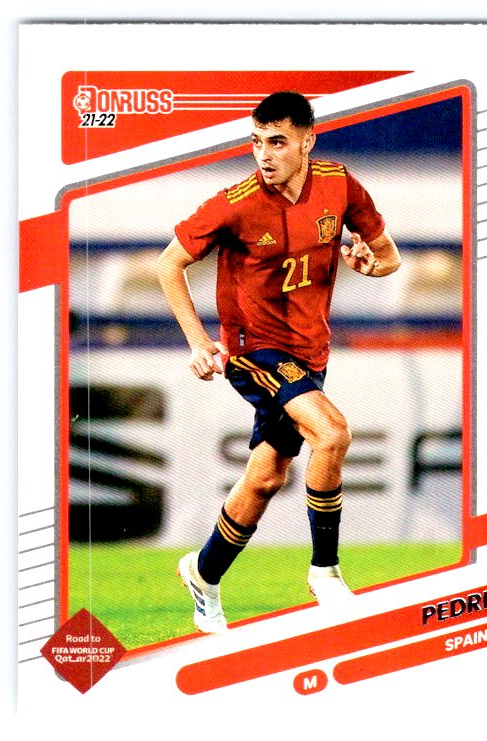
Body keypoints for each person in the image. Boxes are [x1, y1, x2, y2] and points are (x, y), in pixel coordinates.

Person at [157, 91, 401, 634]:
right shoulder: (234, 203)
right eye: (256, 142)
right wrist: (198, 342)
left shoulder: (339, 184)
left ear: (308, 142)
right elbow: (168, 264)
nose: (263, 155)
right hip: (254, 350)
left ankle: (202, 573)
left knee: (266, 478)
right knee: (332, 433)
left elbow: (389, 257)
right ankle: (325, 572)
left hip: (312, 351)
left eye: (277, 142)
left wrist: (370, 266)